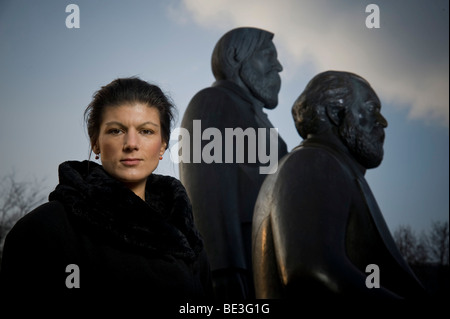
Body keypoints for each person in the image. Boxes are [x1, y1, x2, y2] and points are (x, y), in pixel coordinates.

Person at [0, 77, 212, 302]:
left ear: (162, 146)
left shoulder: (187, 238)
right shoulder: (43, 231)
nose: (131, 143)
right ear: (95, 143)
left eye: (146, 131)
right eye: (116, 131)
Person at [252, 70, 426, 300]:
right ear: (335, 112)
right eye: (372, 109)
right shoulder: (313, 161)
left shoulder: (330, 166)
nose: (383, 122)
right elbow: (311, 269)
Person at [179, 27, 288, 300]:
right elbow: (206, 190)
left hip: (271, 255)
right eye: (268, 55)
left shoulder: (259, 118)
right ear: (238, 56)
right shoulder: (212, 101)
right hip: (240, 259)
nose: (278, 66)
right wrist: (222, 269)